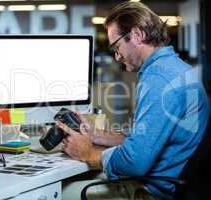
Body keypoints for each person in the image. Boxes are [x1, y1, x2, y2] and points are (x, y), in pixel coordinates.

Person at [58, 2, 210, 200]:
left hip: (150, 192)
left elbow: (136, 162)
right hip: (171, 181)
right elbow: (150, 137)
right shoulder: (174, 68)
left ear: (137, 35)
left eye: (117, 46)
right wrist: (98, 136)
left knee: (59, 193)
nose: (116, 55)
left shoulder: (160, 78)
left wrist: (89, 153)